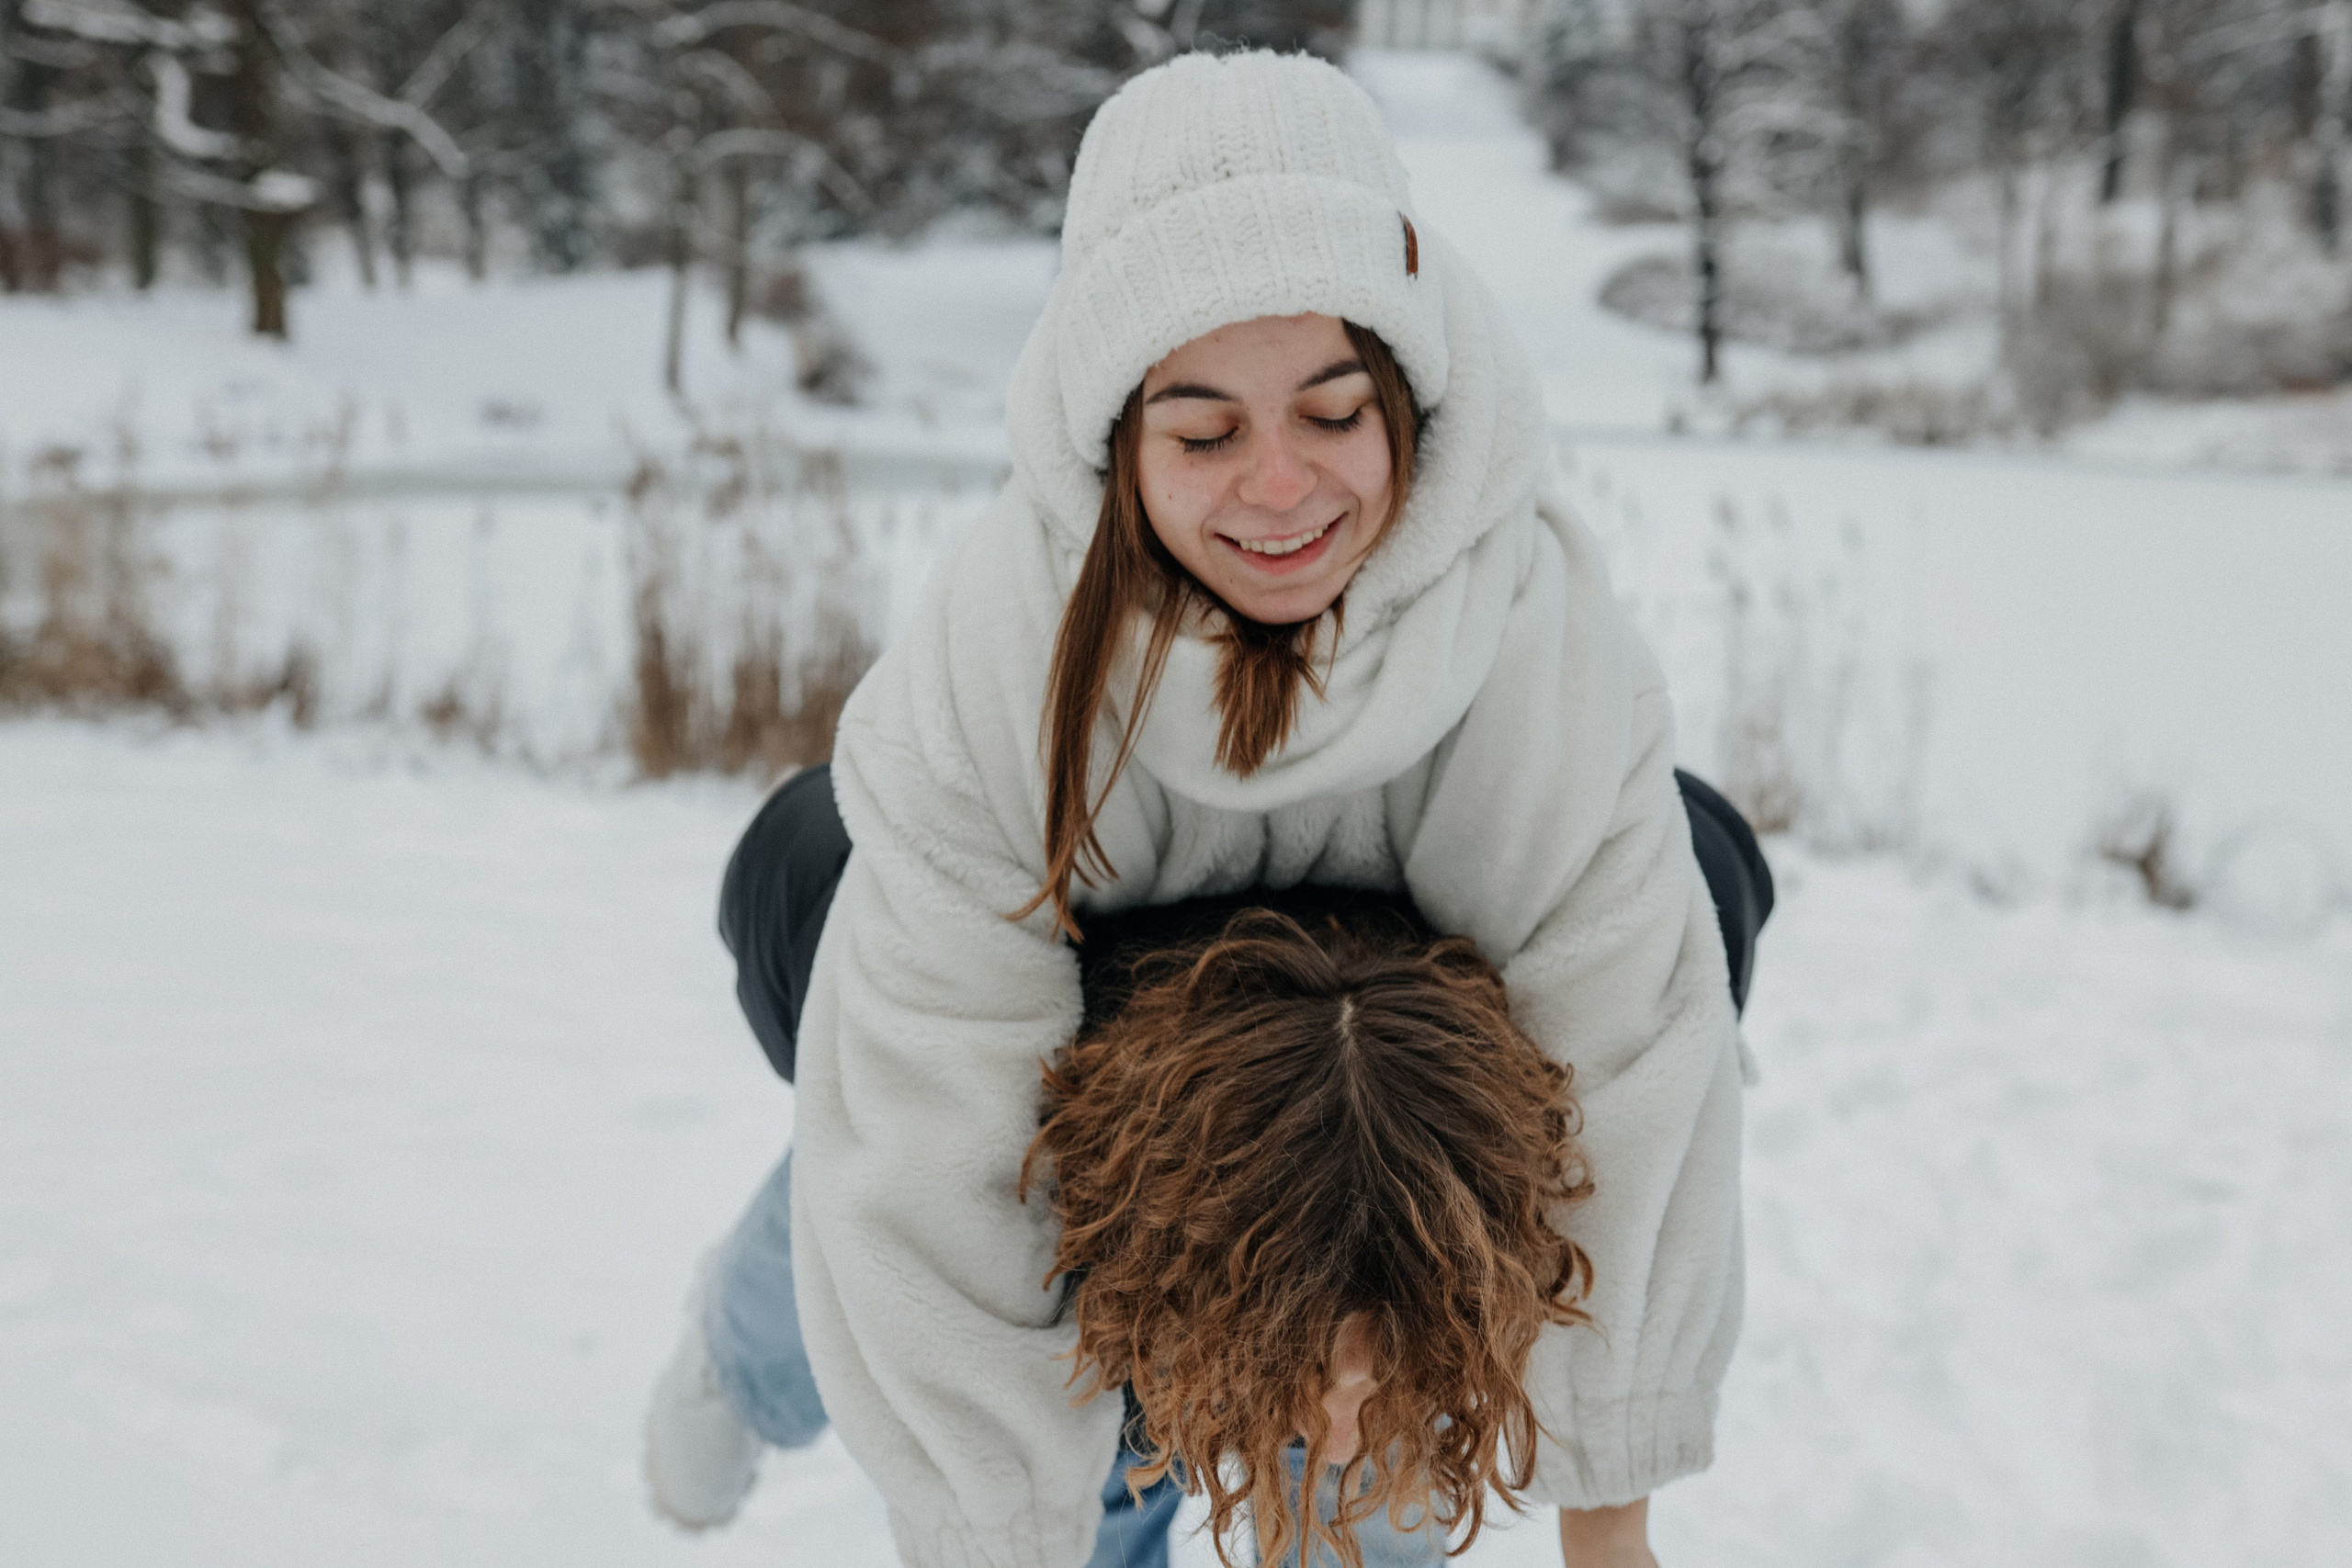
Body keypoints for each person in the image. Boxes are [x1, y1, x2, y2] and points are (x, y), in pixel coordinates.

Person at [650, 49, 1767, 1568]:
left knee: (1382, 1462)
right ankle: (738, 1350)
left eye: (1331, 410)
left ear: (1411, 400)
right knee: (918, 1296)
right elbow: (929, 1144)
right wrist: (996, 1515)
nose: (1283, 488)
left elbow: (1628, 1054)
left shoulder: (1530, 641)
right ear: (1117, 445)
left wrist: (1608, 1510)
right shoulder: (999, 670)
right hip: (1069, 1122)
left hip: (1363, 1136)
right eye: (1204, 432)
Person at [650, 764, 1770, 1568]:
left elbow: (1694, 856)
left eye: (1375, 1376)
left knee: (1367, 1516)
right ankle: (731, 1370)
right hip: (1055, 1218)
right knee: (873, 1271)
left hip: (1320, 1214)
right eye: (1316, 1382)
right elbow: (806, 851)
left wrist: (1611, 1533)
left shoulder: (1590, 1066)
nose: (1337, 1435)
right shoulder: (976, 1124)